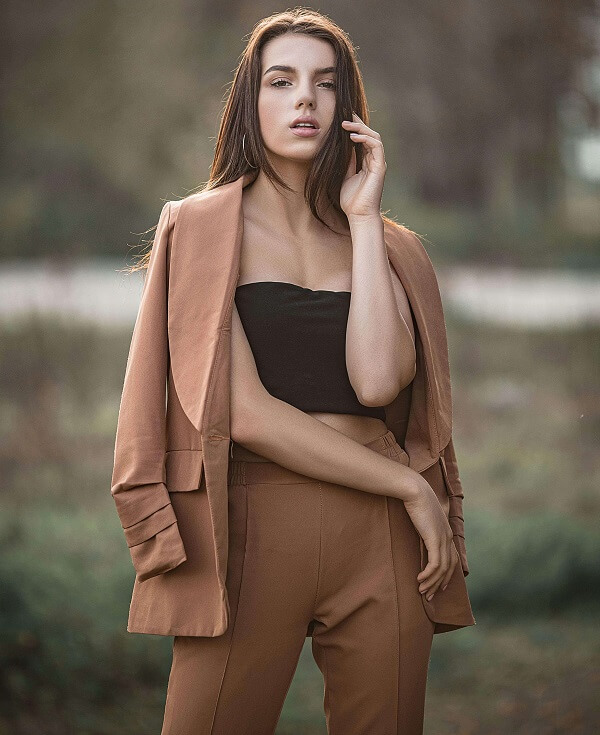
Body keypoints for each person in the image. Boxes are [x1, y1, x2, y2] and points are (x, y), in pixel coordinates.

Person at [113, 8, 475, 735]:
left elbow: (377, 384)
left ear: (348, 108)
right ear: (252, 102)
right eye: (282, 81)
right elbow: (242, 409)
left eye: (325, 84)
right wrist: (410, 483)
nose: (305, 99)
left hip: (381, 538)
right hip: (253, 521)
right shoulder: (200, 226)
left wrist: (365, 221)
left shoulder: (395, 246)